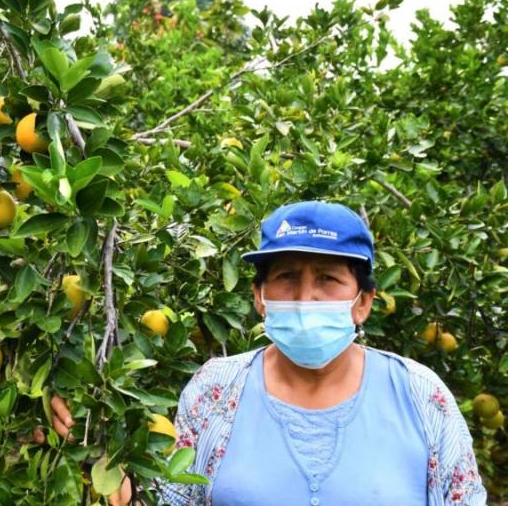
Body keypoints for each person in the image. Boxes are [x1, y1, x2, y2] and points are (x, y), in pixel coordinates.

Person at [51, 201, 487, 505]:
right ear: (259, 297)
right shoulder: (215, 391)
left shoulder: (419, 395)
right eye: (287, 277)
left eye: (328, 280)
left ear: (363, 302)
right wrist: (96, 454)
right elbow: (171, 498)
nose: (305, 297)